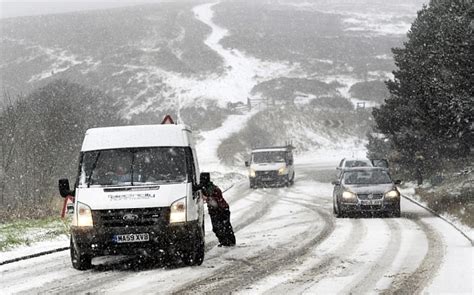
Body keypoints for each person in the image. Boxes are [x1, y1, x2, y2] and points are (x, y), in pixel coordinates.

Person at [201, 176, 236, 247]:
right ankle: (226, 241)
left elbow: (215, 203)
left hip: (221, 210)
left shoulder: (213, 189)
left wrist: (207, 198)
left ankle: (228, 242)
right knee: (221, 227)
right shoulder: (210, 188)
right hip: (219, 210)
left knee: (222, 227)